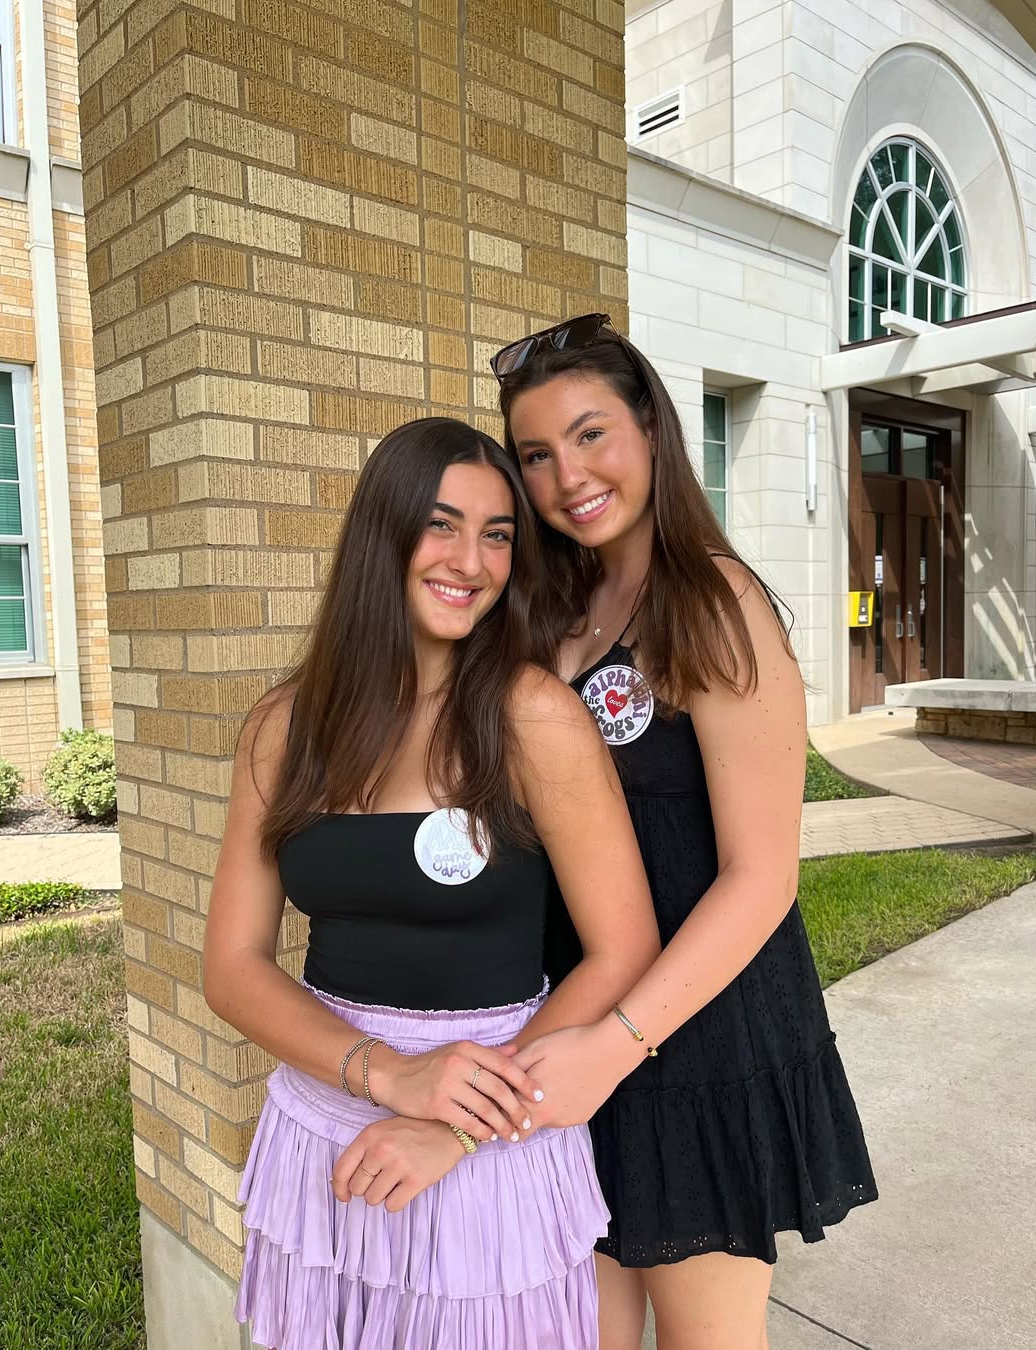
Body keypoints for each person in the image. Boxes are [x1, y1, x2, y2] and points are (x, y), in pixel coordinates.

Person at [202, 416, 660, 1350]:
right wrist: (389, 1073)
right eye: (441, 525)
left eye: (497, 534)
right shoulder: (285, 728)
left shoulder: (532, 717)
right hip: (324, 1132)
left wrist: (456, 1128)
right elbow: (232, 966)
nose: (471, 561)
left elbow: (624, 950)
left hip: (488, 1127)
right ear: (383, 533)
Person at [489, 314, 879, 1350]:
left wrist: (615, 1048)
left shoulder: (713, 601)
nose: (568, 475)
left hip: (691, 1035)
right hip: (575, 1015)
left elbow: (763, 877)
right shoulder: (551, 611)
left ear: (653, 431)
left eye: (591, 434)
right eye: (537, 454)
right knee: (580, 1331)